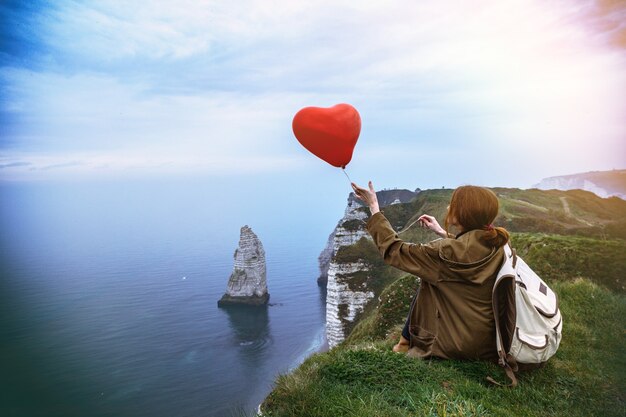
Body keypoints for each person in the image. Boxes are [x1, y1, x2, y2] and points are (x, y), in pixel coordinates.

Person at [351, 181, 510, 360]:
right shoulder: (499, 246)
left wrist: (374, 207)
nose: (449, 206)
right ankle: (403, 343)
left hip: (457, 345)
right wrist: (442, 233)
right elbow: (468, 251)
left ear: (464, 213)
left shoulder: (442, 253)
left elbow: (395, 250)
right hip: (488, 341)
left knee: (426, 279)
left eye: (454, 204)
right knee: (429, 274)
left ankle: (403, 344)